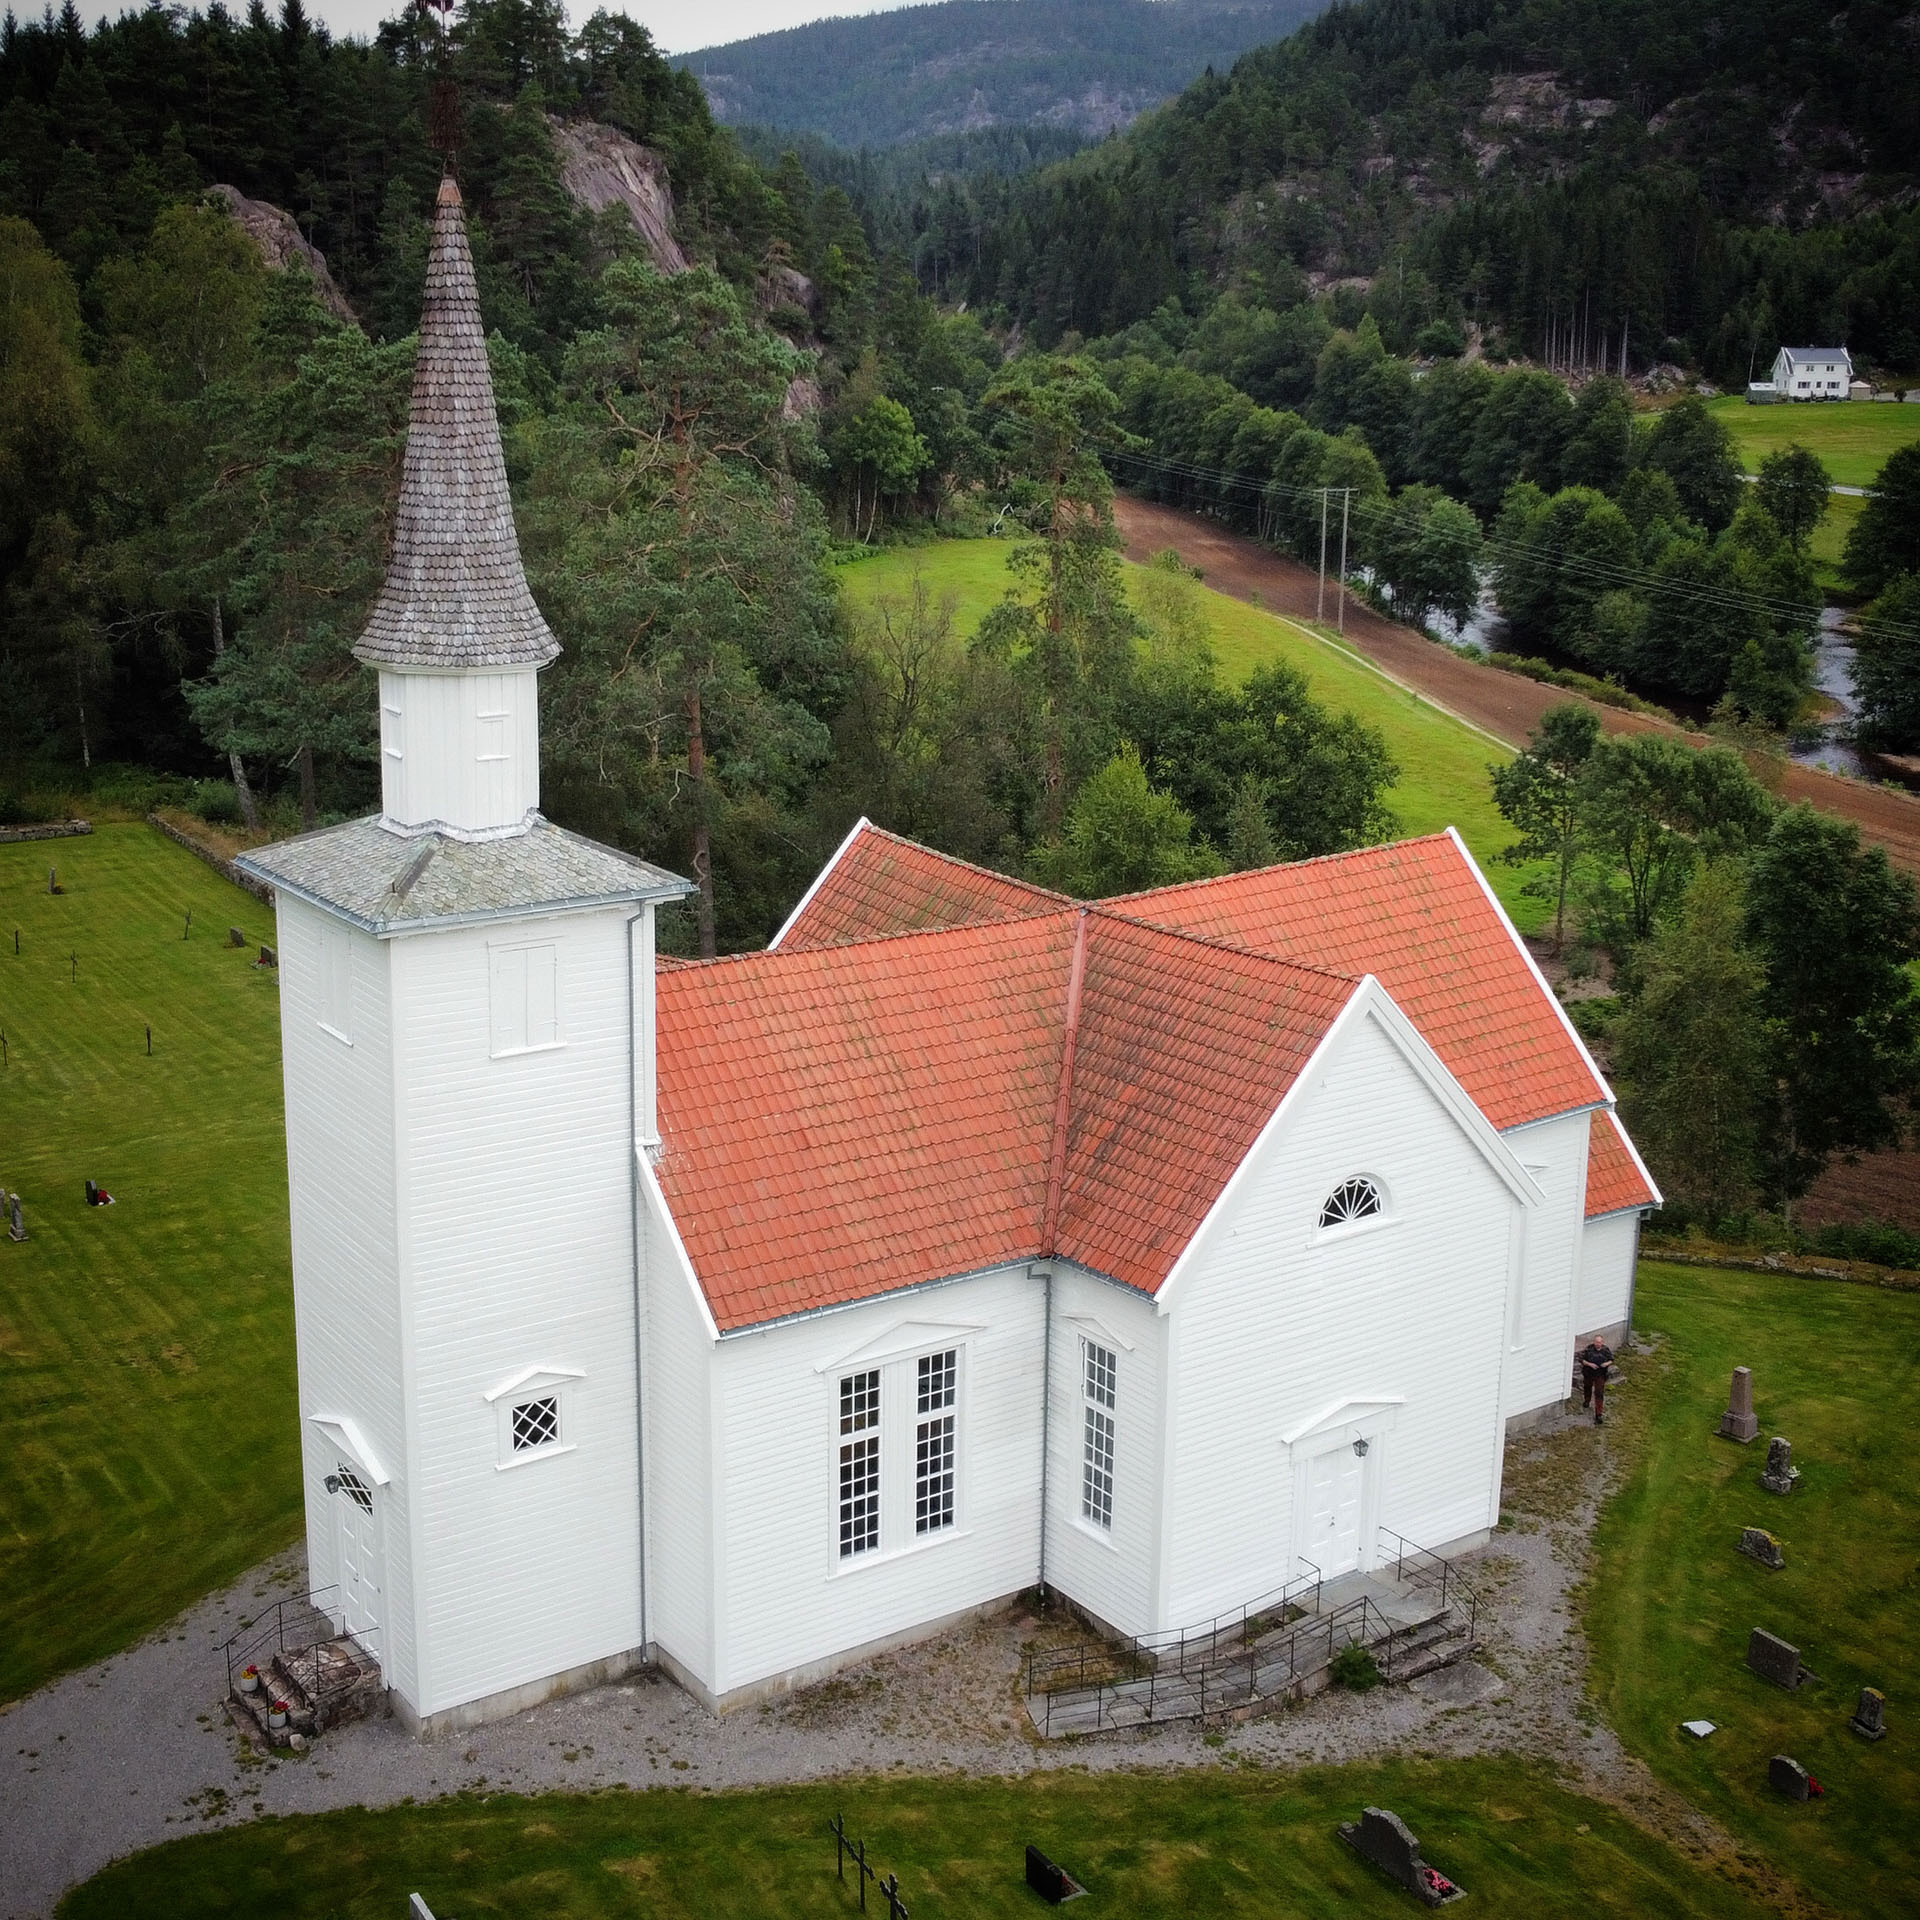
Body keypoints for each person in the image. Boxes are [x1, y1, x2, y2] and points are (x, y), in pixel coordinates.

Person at [1577, 1337, 1614, 1425]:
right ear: (1594, 1342)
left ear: (1602, 1342)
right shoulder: (1589, 1349)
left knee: (1599, 1393)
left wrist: (1606, 1364)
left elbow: (1611, 1360)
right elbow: (1581, 1359)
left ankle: (1599, 1414)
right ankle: (1587, 1400)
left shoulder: (1605, 1350)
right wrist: (1590, 1364)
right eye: (1596, 1342)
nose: (1598, 1344)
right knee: (1587, 1387)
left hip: (1600, 1374)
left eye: (1599, 1342)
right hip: (1589, 1373)